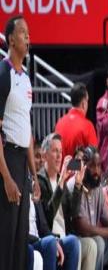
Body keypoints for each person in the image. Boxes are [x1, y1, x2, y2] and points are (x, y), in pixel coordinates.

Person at [0, 15, 40, 270]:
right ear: (11, 40)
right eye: (23, 32)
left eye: (28, 32)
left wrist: (34, 175)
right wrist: (6, 177)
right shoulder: (3, 73)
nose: (28, 36)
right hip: (7, 159)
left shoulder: (25, 78)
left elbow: (27, 131)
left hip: (22, 165)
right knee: (5, 238)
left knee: (19, 240)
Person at [37, 133, 89, 270]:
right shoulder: (39, 182)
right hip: (49, 238)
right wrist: (61, 183)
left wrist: (78, 185)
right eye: (55, 151)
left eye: (60, 151)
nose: (59, 156)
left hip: (64, 236)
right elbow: (47, 217)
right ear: (44, 156)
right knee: (73, 242)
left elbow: (73, 212)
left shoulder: (62, 180)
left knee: (81, 242)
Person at [73, 147, 108, 270]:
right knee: (98, 241)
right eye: (92, 166)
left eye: (99, 166)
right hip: (77, 245)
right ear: (83, 166)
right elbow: (83, 229)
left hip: (94, 245)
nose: (97, 171)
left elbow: (106, 218)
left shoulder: (97, 188)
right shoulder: (76, 186)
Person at [55, 82, 98, 160]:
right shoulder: (87, 126)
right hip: (78, 167)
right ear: (83, 103)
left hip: (60, 167)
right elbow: (94, 157)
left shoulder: (59, 123)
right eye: (87, 101)